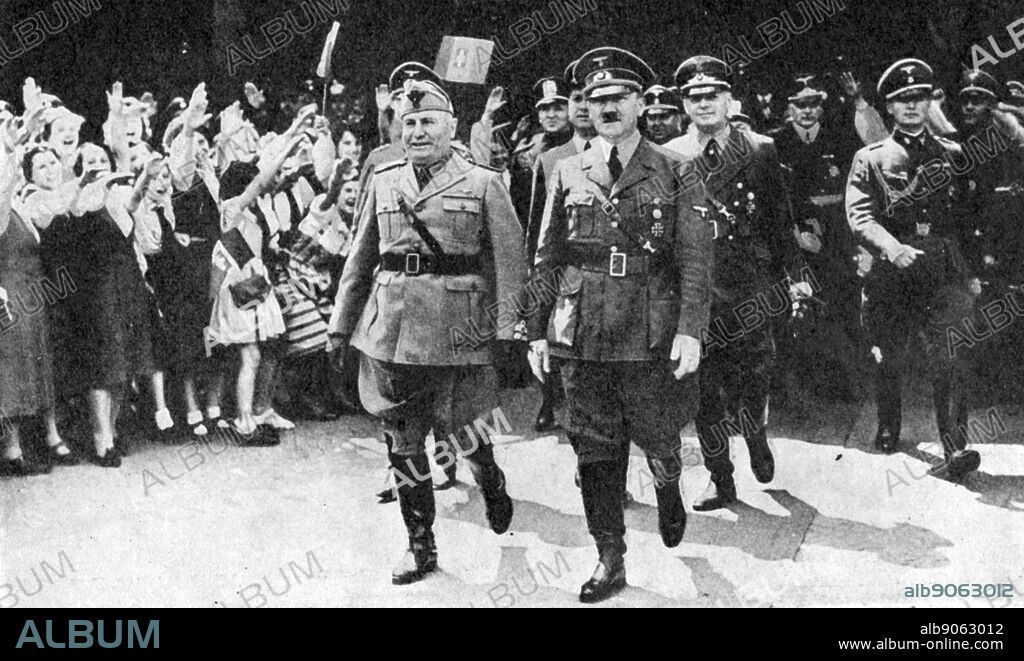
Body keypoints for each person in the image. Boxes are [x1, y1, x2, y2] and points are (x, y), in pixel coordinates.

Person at [526, 47, 711, 603]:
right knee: (594, 446)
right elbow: (546, 257)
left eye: (618, 97)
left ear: (640, 103)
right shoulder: (566, 169)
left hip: (648, 325)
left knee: (656, 430)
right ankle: (610, 554)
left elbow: (696, 260)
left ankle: (668, 479)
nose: (606, 107)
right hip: (581, 329)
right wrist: (535, 329)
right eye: (596, 98)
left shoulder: (676, 168)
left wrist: (690, 330)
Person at [328, 79, 527, 585]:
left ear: (452, 127)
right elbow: (360, 257)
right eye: (408, 123)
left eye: (427, 122)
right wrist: (340, 327)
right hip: (391, 329)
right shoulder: (385, 180)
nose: (416, 131)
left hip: (460, 330)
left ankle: (490, 478)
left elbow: (510, 261)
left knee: (466, 431)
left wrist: (508, 330)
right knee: (403, 440)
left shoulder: (484, 183)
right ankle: (420, 546)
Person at [663, 56, 811, 512]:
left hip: (751, 281)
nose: (704, 104)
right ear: (683, 103)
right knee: (703, 388)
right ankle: (719, 477)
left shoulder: (760, 149)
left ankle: (755, 432)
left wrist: (796, 277)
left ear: (729, 100)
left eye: (713, 95)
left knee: (754, 374)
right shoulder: (670, 154)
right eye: (694, 96)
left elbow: (779, 221)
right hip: (697, 287)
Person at [845, 58, 981, 479]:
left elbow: (970, 217)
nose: (911, 106)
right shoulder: (871, 157)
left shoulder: (955, 154)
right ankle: (889, 425)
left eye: (919, 98)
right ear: (888, 107)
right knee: (889, 353)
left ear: (930, 103)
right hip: (893, 274)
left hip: (943, 273)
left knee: (952, 355)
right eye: (902, 100)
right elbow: (860, 214)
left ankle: (955, 447)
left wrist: (971, 270)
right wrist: (891, 247)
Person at [0, 106, 71, 476]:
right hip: (10, 295)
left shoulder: (22, 204)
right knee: (12, 370)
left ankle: (49, 438)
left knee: (38, 364)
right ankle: (13, 451)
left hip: (34, 291)